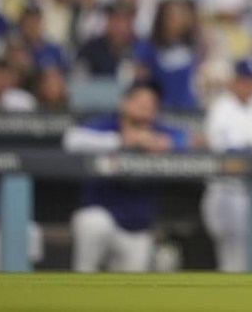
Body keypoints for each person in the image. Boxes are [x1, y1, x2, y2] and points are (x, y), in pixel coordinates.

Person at [62, 80, 188, 272]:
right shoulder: (107, 125)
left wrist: (169, 143)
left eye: (150, 104)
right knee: (92, 222)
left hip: (137, 228)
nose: (146, 107)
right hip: (103, 216)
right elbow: (71, 140)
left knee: (133, 286)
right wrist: (121, 140)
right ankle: (80, 285)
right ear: (124, 103)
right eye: (140, 102)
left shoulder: (159, 131)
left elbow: (192, 140)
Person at [201, 56, 252, 272]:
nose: (249, 85)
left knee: (250, 257)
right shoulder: (221, 107)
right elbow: (223, 150)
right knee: (231, 258)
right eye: (245, 80)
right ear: (234, 81)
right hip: (223, 190)